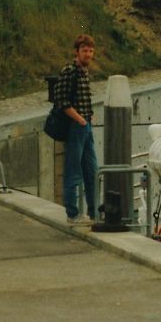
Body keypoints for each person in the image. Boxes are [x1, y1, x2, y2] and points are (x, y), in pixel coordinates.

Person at [55, 34, 99, 225]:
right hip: (76, 127)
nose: (88, 54)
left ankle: (94, 212)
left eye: (90, 51)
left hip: (85, 126)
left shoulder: (84, 71)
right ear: (77, 52)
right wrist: (80, 119)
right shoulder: (70, 70)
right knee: (73, 172)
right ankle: (72, 214)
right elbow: (62, 101)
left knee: (91, 170)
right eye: (84, 50)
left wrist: (89, 115)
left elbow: (82, 99)